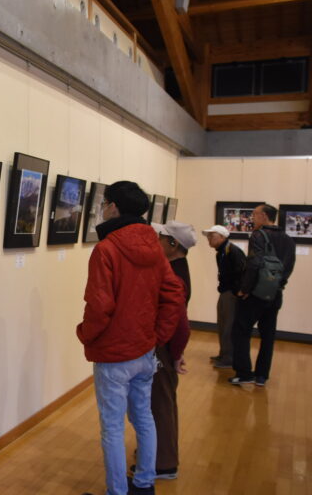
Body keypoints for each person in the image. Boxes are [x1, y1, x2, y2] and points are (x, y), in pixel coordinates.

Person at [77, 181, 186, 495]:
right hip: (143, 351)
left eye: (104, 203)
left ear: (113, 207)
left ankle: (117, 491)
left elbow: (99, 305)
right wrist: (157, 335)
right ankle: (144, 484)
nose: (102, 208)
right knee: (144, 417)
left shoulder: (107, 249)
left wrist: (85, 335)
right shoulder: (154, 247)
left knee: (112, 427)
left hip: (114, 354)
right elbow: (174, 294)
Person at [146, 221, 195, 481]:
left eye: (161, 237)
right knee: (161, 401)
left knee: (160, 403)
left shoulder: (175, 276)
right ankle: (157, 454)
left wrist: (175, 354)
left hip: (163, 347)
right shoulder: (176, 269)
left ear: (173, 244)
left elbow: (180, 323)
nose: (157, 241)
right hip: (166, 346)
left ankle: (163, 463)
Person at [230, 204, 296, 387]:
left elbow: (254, 264)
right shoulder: (288, 239)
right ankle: (261, 376)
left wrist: (245, 289)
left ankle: (244, 373)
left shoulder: (258, 235)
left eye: (255, 214)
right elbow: (289, 267)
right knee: (268, 335)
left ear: (265, 216)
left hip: (254, 295)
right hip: (275, 294)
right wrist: (278, 285)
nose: (252, 218)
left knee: (241, 331)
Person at [201, 225, 246, 369]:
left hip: (231, 293)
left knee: (228, 326)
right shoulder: (221, 252)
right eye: (208, 236)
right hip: (225, 291)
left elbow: (242, 272)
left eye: (212, 236)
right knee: (222, 324)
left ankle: (229, 358)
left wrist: (236, 291)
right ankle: (223, 353)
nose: (209, 239)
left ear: (222, 237)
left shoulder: (232, 251)